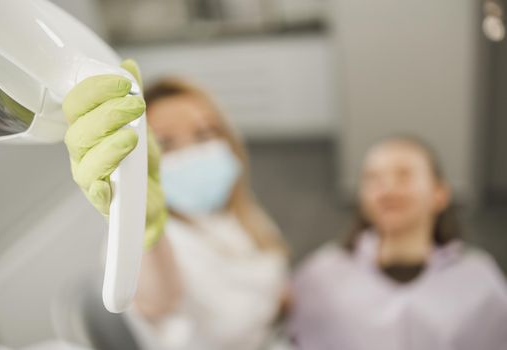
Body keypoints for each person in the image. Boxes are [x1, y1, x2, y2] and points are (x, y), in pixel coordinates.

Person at [62, 60, 289, 350]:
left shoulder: (233, 208)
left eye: (206, 133)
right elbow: (158, 299)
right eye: (165, 144)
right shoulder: (142, 241)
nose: (193, 152)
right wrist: (141, 225)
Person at [289, 136, 507, 350]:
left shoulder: (479, 280)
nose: (387, 188)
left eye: (404, 175)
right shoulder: (320, 276)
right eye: (373, 178)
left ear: (440, 193)